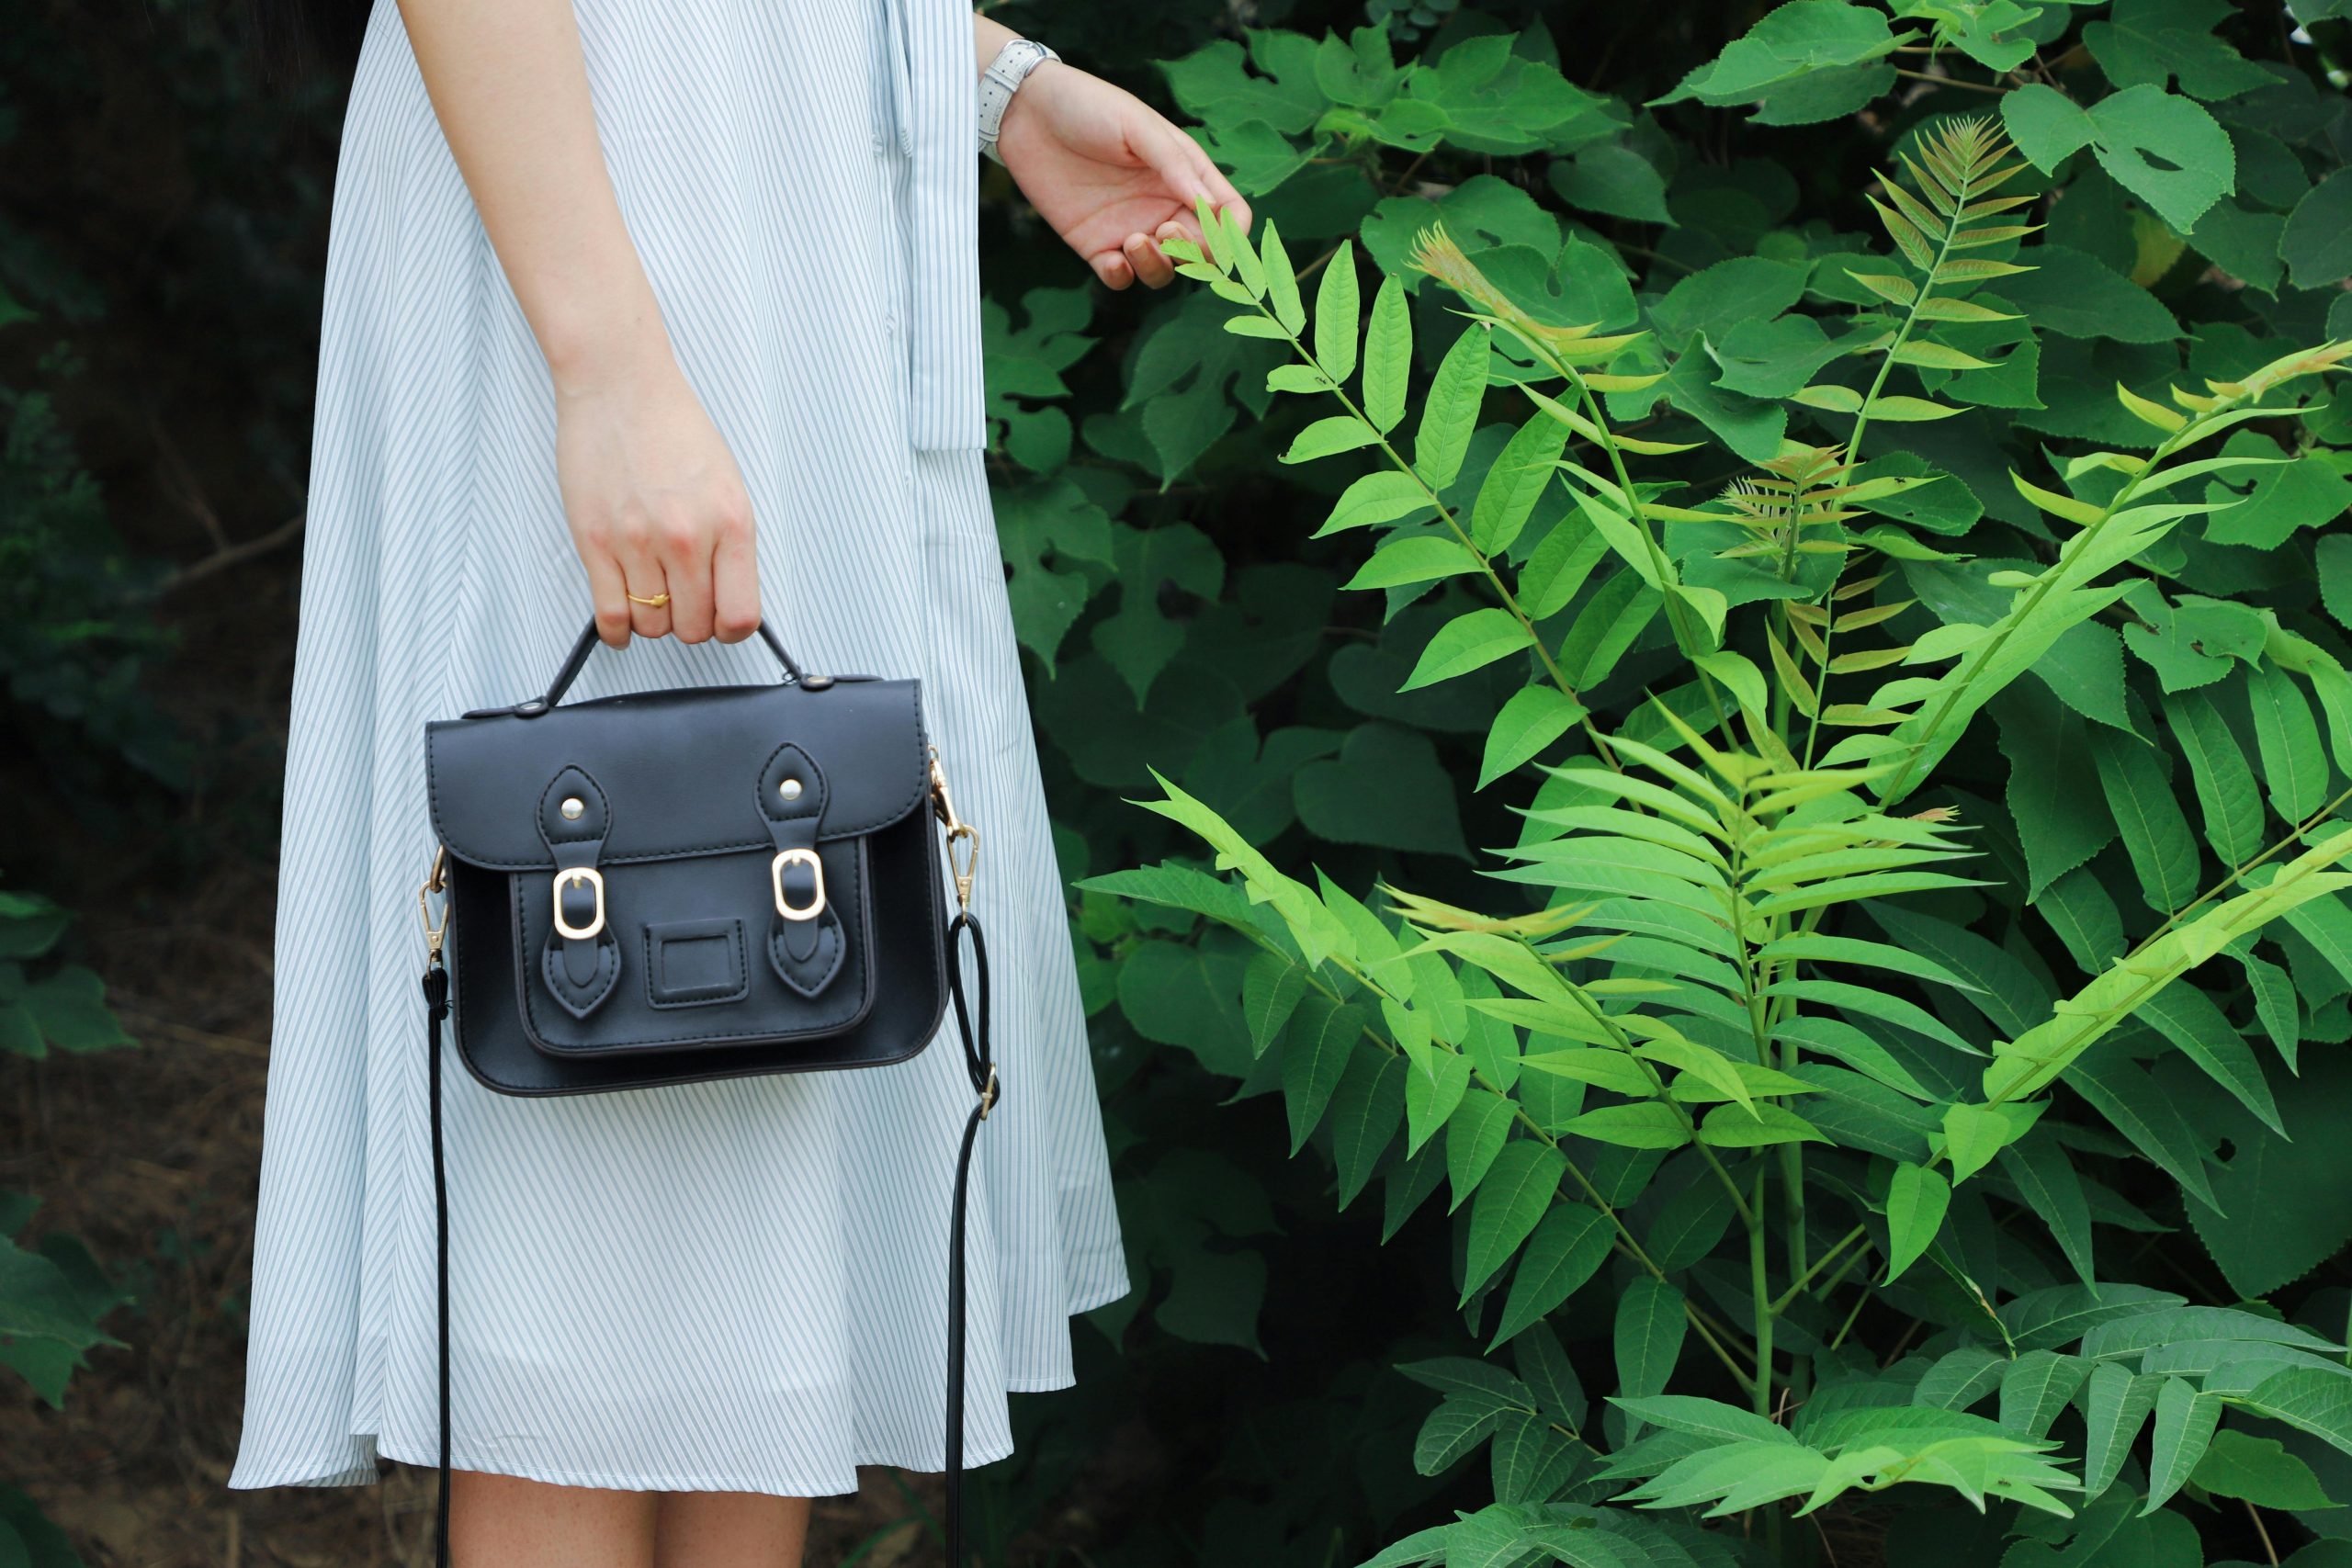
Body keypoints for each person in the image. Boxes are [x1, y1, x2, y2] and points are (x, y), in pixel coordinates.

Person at [226, 2, 1250, 1563]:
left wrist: (1001, 90)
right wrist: (610, 365)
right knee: (576, 1165)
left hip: (791, 239)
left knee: (777, 1056)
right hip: (600, 210)